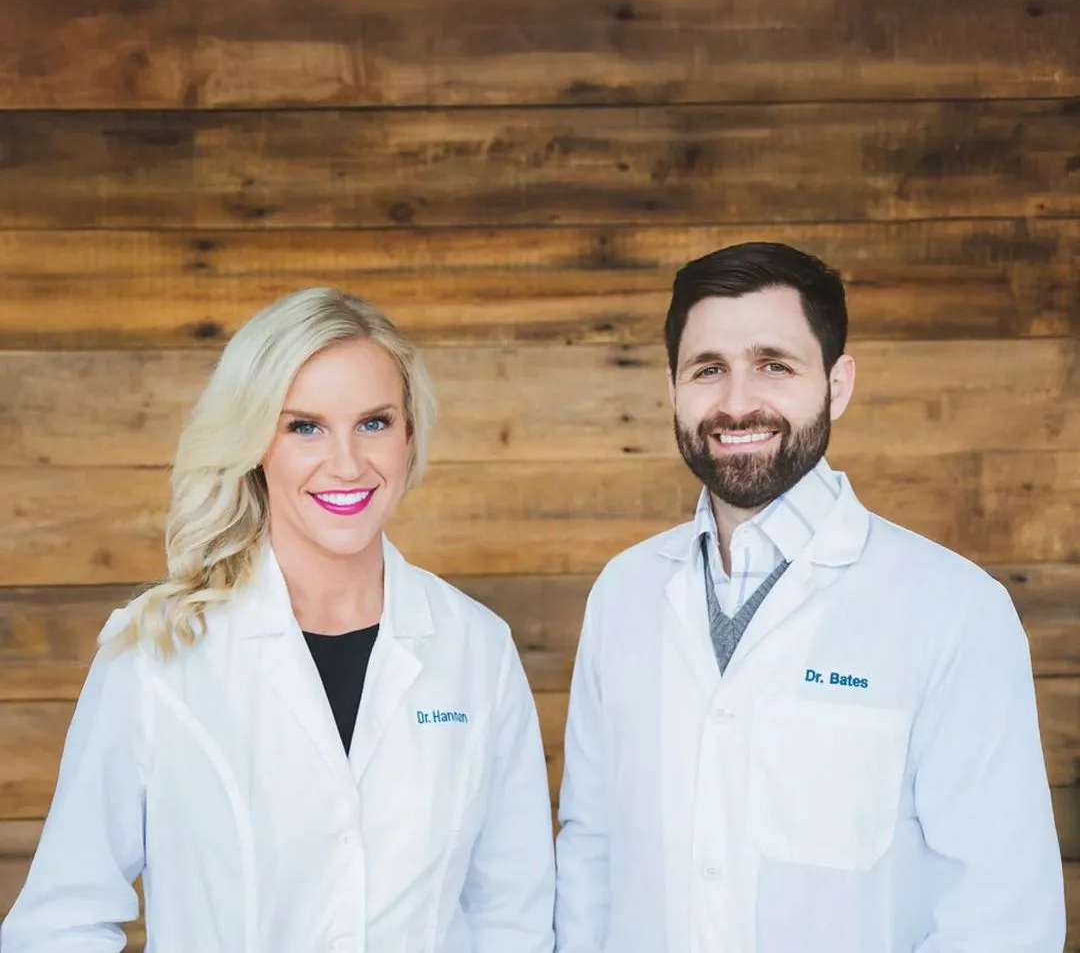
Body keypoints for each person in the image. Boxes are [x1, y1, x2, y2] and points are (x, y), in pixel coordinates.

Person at [2, 288, 556, 953]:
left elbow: (513, 916)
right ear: (254, 442)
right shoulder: (156, 653)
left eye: (374, 422)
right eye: (305, 426)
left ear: (410, 435)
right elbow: (60, 922)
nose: (347, 463)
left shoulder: (476, 648)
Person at [553, 243, 1066, 952]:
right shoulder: (625, 593)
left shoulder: (952, 611)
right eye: (709, 370)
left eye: (774, 365)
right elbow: (591, 856)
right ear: (672, 388)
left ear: (837, 383)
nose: (736, 403)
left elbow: (1001, 918)